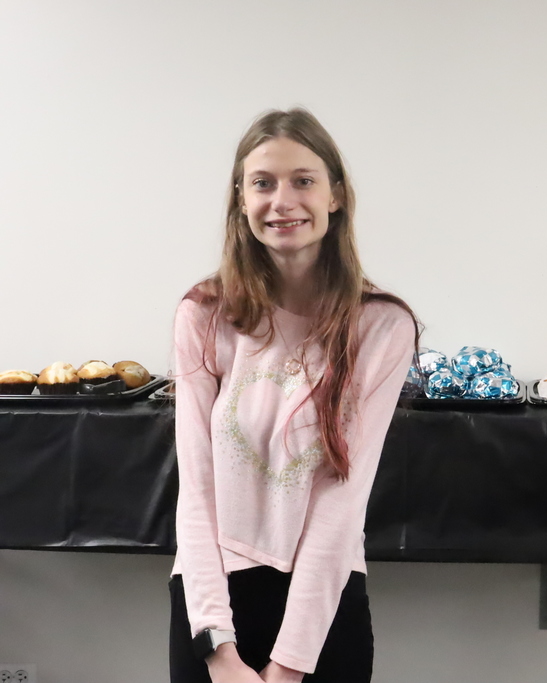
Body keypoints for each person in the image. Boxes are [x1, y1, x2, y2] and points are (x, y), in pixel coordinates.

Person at [168, 108, 417, 683]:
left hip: (321, 602)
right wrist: (217, 649)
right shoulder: (203, 315)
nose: (283, 201)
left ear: (335, 195)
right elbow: (196, 491)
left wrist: (289, 666)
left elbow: (341, 504)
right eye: (263, 183)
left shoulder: (380, 325)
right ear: (241, 199)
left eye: (303, 180)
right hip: (213, 603)